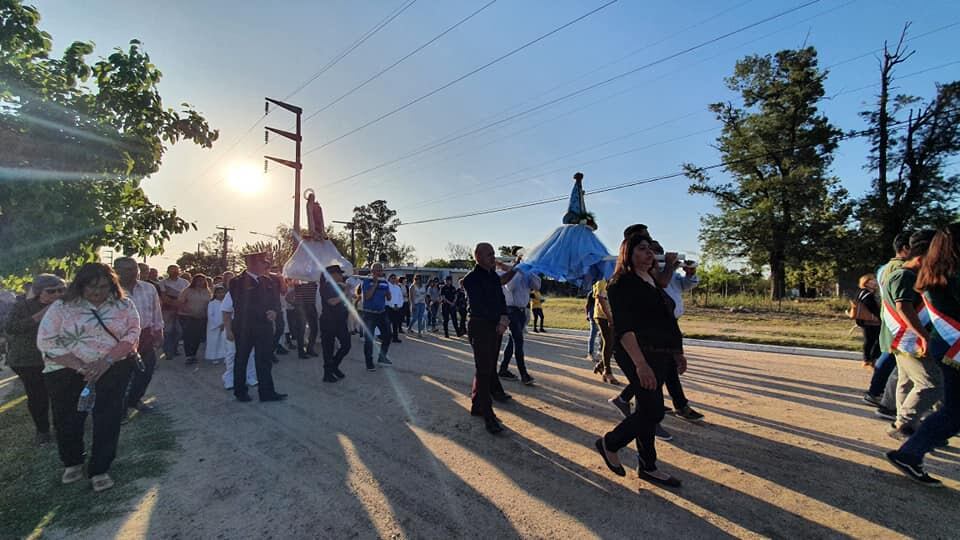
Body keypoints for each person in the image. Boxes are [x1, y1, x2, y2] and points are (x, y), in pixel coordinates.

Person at [36, 263, 141, 492]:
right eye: (92, 287)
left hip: (112, 368)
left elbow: (132, 334)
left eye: (104, 287)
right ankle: (72, 461)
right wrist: (81, 366)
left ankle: (100, 468)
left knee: (108, 418)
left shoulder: (123, 305)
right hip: (66, 370)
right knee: (68, 419)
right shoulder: (62, 307)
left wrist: (106, 362)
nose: (97, 292)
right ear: (80, 285)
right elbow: (46, 341)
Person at [593, 235, 684, 488]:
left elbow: (667, 319)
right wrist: (641, 364)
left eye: (651, 250)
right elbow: (624, 328)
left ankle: (648, 466)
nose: (649, 254)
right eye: (642, 249)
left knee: (647, 410)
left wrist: (677, 351)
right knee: (654, 410)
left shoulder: (652, 280)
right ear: (628, 254)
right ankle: (610, 443)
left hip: (660, 351)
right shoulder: (620, 283)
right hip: (637, 352)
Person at [887, 223, 960, 486]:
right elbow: (903, 307)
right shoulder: (949, 275)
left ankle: (911, 448)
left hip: (946, 344)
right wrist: (921, 335)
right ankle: (908, 437)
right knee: (943, 401)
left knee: (949, 406)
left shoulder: (934, 273)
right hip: (952, 345)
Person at [882, 230, 939, 441]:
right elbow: (903, 307)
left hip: (907, 339)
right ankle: (904, 424)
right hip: (909, 340)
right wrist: (923, 335)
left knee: (906, 382)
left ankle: (904, 424)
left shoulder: (910, 275)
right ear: (922, 254)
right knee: (932, 383)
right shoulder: (904, 275)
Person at [4, 274, 64, 445]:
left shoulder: (65, 305)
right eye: (51, 291)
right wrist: (42, 313)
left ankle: (62, 427)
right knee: (38, 395)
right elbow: (10, 327)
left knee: (59, 394)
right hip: (28, 360)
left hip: (58, 356)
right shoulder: (21, 305)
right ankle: (43, 430)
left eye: (61, 290)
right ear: (38, 291)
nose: (57, 294)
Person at [464, 243, 517, 434]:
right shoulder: (471, 279)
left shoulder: (492, 275)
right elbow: (480, 306)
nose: (493, 257)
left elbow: (500, 299)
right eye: (489, 254)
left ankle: (478, 405)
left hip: (495, 326)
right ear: (477, 256)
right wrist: (500, 320)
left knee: (487, 368)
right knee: (484, 370)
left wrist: (504, 317)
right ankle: (488, 415)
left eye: (494, 254)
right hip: (480, 326)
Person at [225, 252, 286, 402]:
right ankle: (240, 391)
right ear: (251, 264)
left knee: (264, 360)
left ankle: (266, 392)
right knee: (242, 359)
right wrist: (264, 311)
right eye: (262, 262)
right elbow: (241, 304)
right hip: (244, 327)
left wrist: (274, 311)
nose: (265, 265)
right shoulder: (236, 282)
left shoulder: (268, 281)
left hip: (264, 327)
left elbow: (275, 301)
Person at [864, 231, 914, 414]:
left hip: (890, 315)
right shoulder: (901, 269)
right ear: (905, 248)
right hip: (900, 317)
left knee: (891, 354)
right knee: (894, 357)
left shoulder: (884, 267)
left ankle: (878, 392)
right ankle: (877, 392)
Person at [113, 258, 163, 416]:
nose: (133, 272)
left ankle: (134, 400)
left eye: (135, 269)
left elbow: (156, 311)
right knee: (122, 374)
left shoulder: (149, 288)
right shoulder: (110, 290)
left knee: (146, 370)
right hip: (120, 338)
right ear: (116, 270)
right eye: (128, 269)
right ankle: (119, 407)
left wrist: (159, 330)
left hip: (145, 334)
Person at [499, 262, 540, 385]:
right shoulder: (508, 273)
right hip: (511, 310)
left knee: (512, 341)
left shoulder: (526, 273)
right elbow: (510, 286)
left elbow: (537, 285)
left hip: (522, 311)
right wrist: (517, 270)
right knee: (518, 341)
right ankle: (524, 374)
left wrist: (528, 271)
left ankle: (503, 369)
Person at [319, 266, 351, 382]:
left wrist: (347, 290)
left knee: (346, 345)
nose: (342, 276)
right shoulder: (326, 286)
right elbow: (332, 302)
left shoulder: (338, 286)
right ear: (333, 274)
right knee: (328, 348)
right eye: (339, 274)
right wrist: (345, 292)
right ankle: (327, 374)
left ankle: (334, 366)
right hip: (328, 321)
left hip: (340, 321)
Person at [361, 263, 393, 371]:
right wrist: (375, 285)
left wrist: (388, 292)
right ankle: (369, 363)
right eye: (376, 270)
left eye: (380, 270)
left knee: (388, 335)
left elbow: (388, 298)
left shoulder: (384, 282)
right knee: (369, 339)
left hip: (381, 312)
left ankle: (382, 358)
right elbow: (367, 297)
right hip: (369, 313)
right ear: (372, 271)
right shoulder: (366, 281)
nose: (378, 272)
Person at [591, 276, 620, 385]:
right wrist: (610, 318)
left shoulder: (612, 279)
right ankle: (607, 372)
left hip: (613, 316)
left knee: (613, 343)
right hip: (603, 316)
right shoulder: (601, 280)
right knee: (609, 342)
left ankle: (601, 365)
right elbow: (601, 300)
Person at [177, 274, 211, 365]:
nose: (200, 282)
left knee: (197, 337)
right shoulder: (187, 291)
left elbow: (209, 303)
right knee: (189, 337)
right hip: (188, 316)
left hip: (202, 317)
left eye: (202, 280)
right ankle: (188, 356)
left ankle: (194, 355)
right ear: (194, 281)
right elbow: (180, 303)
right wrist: (189, 311)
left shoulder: (207, 291)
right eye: (198, 280)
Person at [159, 265, 189, 360]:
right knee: (168, 331)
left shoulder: (184, 282)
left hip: (181, 310)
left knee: (179, 331)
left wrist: (181, 304)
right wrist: (175, 303)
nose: (174, 272)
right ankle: (168, 352)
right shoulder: (163, 283)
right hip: (167, 310)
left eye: (176, 270)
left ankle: (174, 348)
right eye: (172, 270)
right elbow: (164, 297)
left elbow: (188, 295)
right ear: (168, 271)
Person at [854, 274, 882, 367]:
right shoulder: (868, 294)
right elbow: (871, 307)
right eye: (872, 280)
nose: (875, 282)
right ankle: (871, 358)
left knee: (869, 340)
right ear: (866, 283)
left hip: (865, 320)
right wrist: (879, 316)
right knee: (876, 340)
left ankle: (867, 359)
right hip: (872, 321)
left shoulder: (862, 292)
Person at [293, 280, 320, 357]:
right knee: (301, 330)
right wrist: (296, 304)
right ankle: (301, 352)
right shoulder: (298, 279)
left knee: (314, 329)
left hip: (311, 305)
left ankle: (310, 349)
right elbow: (291, 292)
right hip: (301, 306)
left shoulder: (314, 280)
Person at [205, 286, 230, 364]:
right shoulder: (212, 303)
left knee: (224, 341)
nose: (221, 294)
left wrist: (225, 323)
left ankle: (224, 357)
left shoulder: (226, 303)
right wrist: (218, 325)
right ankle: (214, 357)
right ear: (215, 293)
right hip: (214, 326)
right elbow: (210, 315)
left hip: (225, 324)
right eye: (219, 293)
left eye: (223, 292)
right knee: (214, 341)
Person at [387, 274, 405, 343]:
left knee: (395, 324)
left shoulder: (398, 287)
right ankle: (387, 337)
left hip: (397, 307)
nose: (394, 279)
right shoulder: (387, 286)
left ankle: (395, 337)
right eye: (392, 278)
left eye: (395, 278)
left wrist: (399, 305)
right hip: (389, 307)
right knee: (387, 324)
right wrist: (392, 306)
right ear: (389, 279)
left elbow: (401, 297)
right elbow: (386, 299)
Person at [586, 291, 599, 362]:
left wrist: (587, 315)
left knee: (593, 334)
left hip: (592, 313)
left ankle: (590, 352)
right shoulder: (601, 291)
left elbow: (587, 305)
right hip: (597, 313)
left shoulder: (591, 293)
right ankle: (592, 352)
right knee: (596, 334)